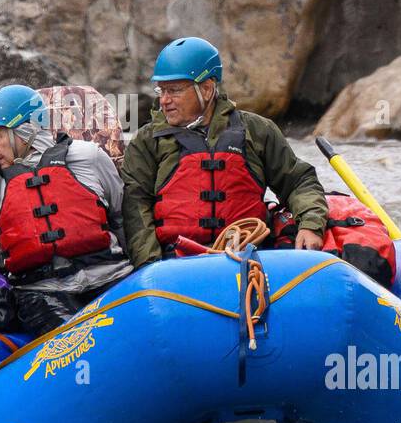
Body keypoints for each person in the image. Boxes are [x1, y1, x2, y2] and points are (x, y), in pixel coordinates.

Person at [121, 37, 329, 267]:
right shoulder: (147, 141)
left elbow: (299, 182)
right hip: (176, 264)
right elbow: (135, 208)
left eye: (174, 90)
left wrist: (311, 225)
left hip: (248, 257)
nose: (164, 100)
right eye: (161, 90)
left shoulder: (257, 131)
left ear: (207, 88)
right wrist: (150, 267)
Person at [0, 84, 131, 336]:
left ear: (25, 132)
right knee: (82, 340)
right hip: (42, 293)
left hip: (109, 277)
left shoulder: (89, 157)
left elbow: (119, 212)